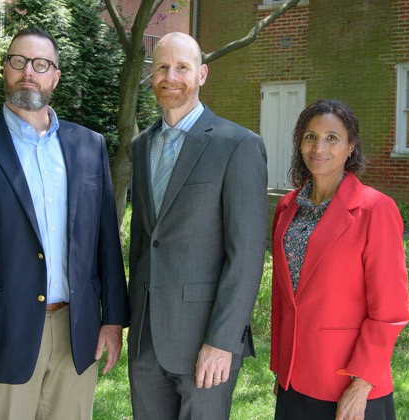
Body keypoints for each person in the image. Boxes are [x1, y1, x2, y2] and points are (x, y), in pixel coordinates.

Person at [0, 27, 129, 420]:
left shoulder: (89, 146)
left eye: (41, 64)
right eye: (18, 62)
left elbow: (107, 240)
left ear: (55, 76)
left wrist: (114, 320)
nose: (28, 72)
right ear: (5, 70)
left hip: (77, 333)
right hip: (1, 333)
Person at [127, 32, 268, 419]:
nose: (170, 76)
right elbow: (144, 241)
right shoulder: (142, 147)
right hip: (146, 339)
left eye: (182, 67)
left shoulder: (237, 145)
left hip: (204, 341)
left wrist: (222, 340)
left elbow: (247, 254)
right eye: (161, 67)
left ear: (202, 75)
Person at [270, 99, 409, 419]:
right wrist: (281, 366)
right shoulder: (287, 209)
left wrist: (361, 386)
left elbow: (390, 312)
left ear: (351, 148)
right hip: (294, 378)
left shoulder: (376, 209)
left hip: (348, 384)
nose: (319, 146)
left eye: (332, 137)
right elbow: (283, 296)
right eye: (310, 136)